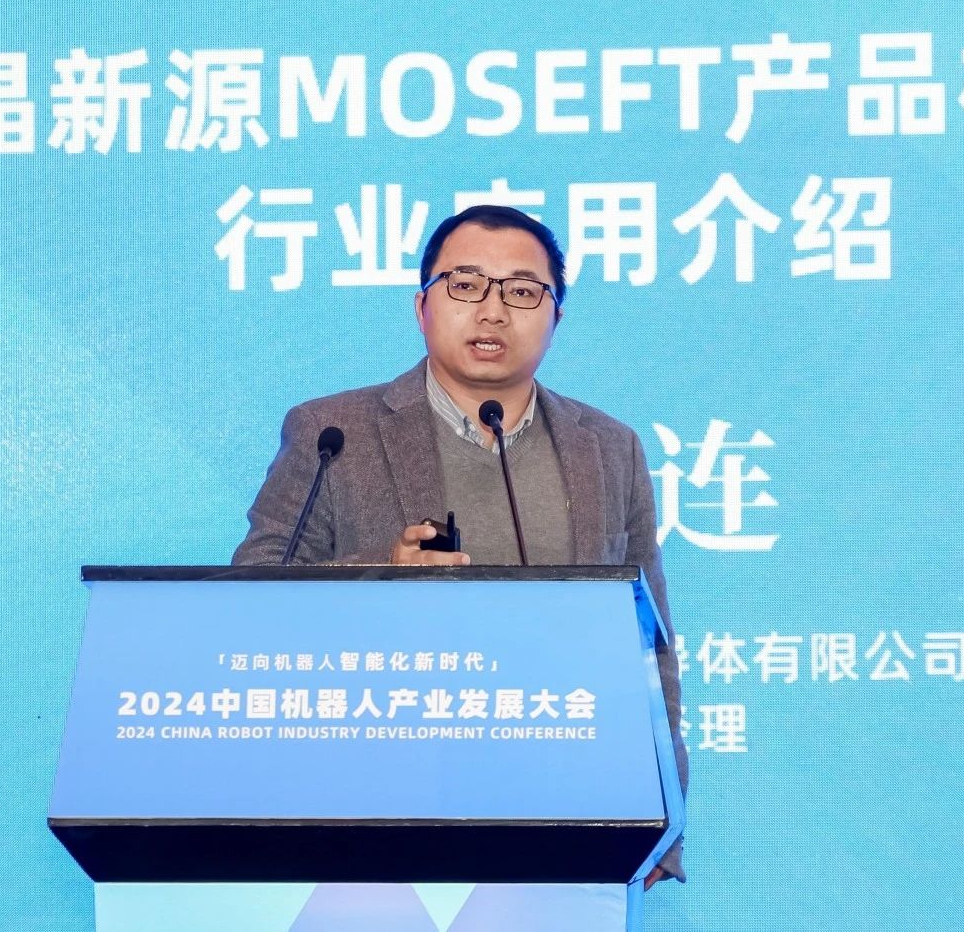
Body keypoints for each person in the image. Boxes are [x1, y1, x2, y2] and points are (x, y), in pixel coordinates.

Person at [233, 204, 687, 885]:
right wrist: (379, 575)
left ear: (556, 317)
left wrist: (663, 819)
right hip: (370, 808)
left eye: (522, 291)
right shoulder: (333, 432)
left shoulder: (608, 447)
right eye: (466, 285)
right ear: (422, 306)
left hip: (564, 808)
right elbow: (252, 596)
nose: (493, 310)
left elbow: (649, 647)